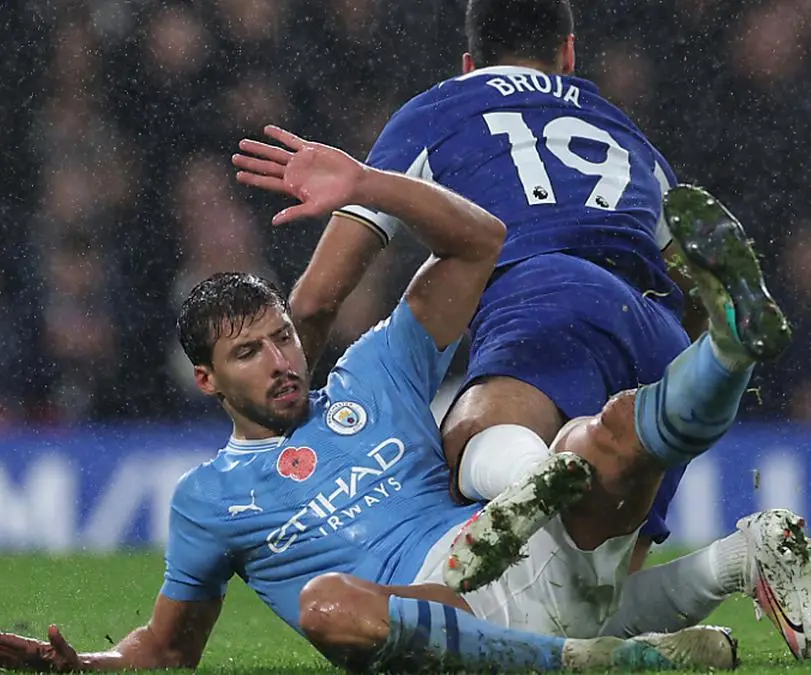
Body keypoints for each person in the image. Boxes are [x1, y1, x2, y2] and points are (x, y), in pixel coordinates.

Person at [0, 132, 811, 672]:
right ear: (207, 380)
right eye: (248, 353)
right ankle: (669, 609)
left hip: (519, 552)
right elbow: (167, 649)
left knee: (596, 434)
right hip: (434, 622)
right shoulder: (209, 499)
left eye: (281, 335)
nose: (280, 360)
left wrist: (368, 186)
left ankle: (728, 342)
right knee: (329, 604)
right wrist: (85, 666)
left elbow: (480, 242)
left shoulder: (374, 370)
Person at [249, 0, 731, 578]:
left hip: (543, 297)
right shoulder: (626, 134)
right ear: (568, 54)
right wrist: (672, 369)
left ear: (469, 63)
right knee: (599, 590)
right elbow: (695, 292)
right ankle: (744, 556)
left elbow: (315, 300)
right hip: (658, 333)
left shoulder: (438, 110)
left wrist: (276, 439)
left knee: (467, 452)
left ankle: (534, 472)